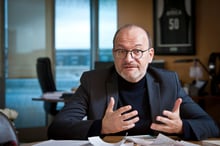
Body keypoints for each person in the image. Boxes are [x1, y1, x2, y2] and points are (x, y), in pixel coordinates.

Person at [47, 24, 219, 140]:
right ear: (114, 54)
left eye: (137, 51)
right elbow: (57, 128)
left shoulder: (168, 82)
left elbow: (211, 126)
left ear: (150, 55)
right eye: (121, 51)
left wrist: (181, 127)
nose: (129, 59)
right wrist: (102, 127)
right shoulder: (93, 81)